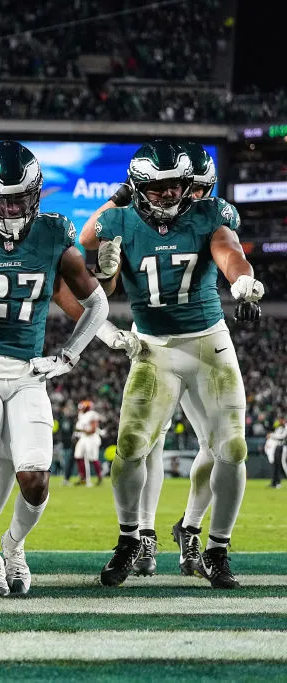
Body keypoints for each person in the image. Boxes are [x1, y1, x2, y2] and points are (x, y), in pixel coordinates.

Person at [81, 140, 262, 590]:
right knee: (130, 447)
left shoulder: (208, 213)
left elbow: (228, 251)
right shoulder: (119, 219)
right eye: (158, 187)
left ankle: (217, 548)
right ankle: (130, 539)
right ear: (139, 187)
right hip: (153, 347)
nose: (170, 194)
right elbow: (88, 244)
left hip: (207, 343)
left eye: (177, 185)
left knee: (232, 448)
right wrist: (106, 260)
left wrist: (243, 280)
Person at [0, 140, 109, 596]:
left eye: (20, 197)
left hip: (28, 370)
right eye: (2, 197)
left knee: (34, 480)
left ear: (34, 193)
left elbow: (97, 302)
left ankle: (14, 547)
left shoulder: (54, 231)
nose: (12, 207)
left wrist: (69, 355)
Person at [73, 400, 102, 487]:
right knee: (78, 455)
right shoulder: (81, 415)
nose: (80, 409)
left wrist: (81, 430)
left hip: (91, 438)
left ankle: (99, 477)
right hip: (84, 437)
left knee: (93, 458)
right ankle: (82, 478)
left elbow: (93, 430)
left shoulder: (92, 414)